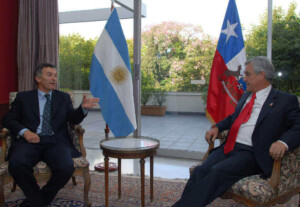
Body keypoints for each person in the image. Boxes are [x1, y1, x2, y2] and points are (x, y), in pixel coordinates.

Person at [172, 56, 300, 207]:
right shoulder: (246, 96)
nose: (244, 79)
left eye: (247, 74)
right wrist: (217, 127)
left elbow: (298, 126)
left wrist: (283, 142)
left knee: (217, 172)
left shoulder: (285, 100)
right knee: (201, 171)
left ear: (262, 75)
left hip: (252, 153)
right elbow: (233, 118)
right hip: (229, 147)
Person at [2, 63, 100, 207]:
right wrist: (25, 132)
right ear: (38, 78)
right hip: (29, 141)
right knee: (17, 164)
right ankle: (38, 200)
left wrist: (82, 109)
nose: (54, 78)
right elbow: (8, 119)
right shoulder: (24, 97)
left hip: (56, 141)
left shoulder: (63, 98)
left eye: (55, 75)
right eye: (49, 75)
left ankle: (38, 201)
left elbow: (73, 120)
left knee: (66, 167)